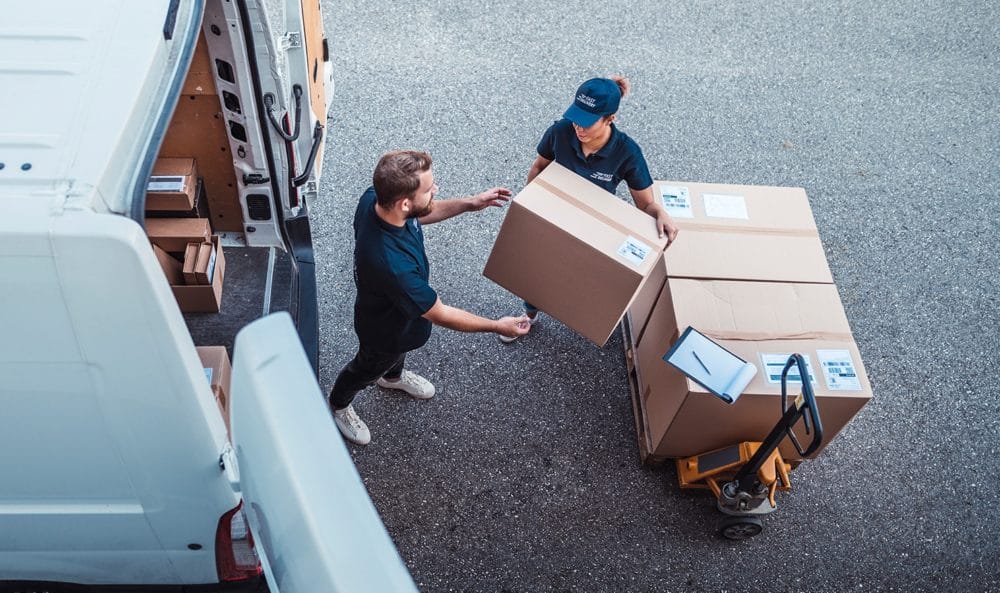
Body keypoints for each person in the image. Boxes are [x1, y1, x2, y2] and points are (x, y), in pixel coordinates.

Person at [329, 150, 530, 445]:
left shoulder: (375, 199)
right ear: (405, 202)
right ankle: (339, 405)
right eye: (429, 188)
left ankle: (392, 378)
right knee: (366, 367)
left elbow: (421, 215)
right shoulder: (394, 268)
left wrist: (469, 203)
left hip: (402, 317)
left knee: (396, 355)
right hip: (384, 331)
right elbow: (440, 313)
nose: (436, 190)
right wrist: (499, 326)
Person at [500, 75, 679, 343]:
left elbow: (645, 204)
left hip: (594, 224)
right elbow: (539, 166)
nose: (578, 127)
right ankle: (529, 313)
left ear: (610, 119)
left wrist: (660, 214)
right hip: (555, 214)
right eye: (576, 116)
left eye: (588, 121)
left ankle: (583, 315)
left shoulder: (627, 152)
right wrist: (531, 205)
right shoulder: (560, 131)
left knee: (582, 274)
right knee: (539, 268)